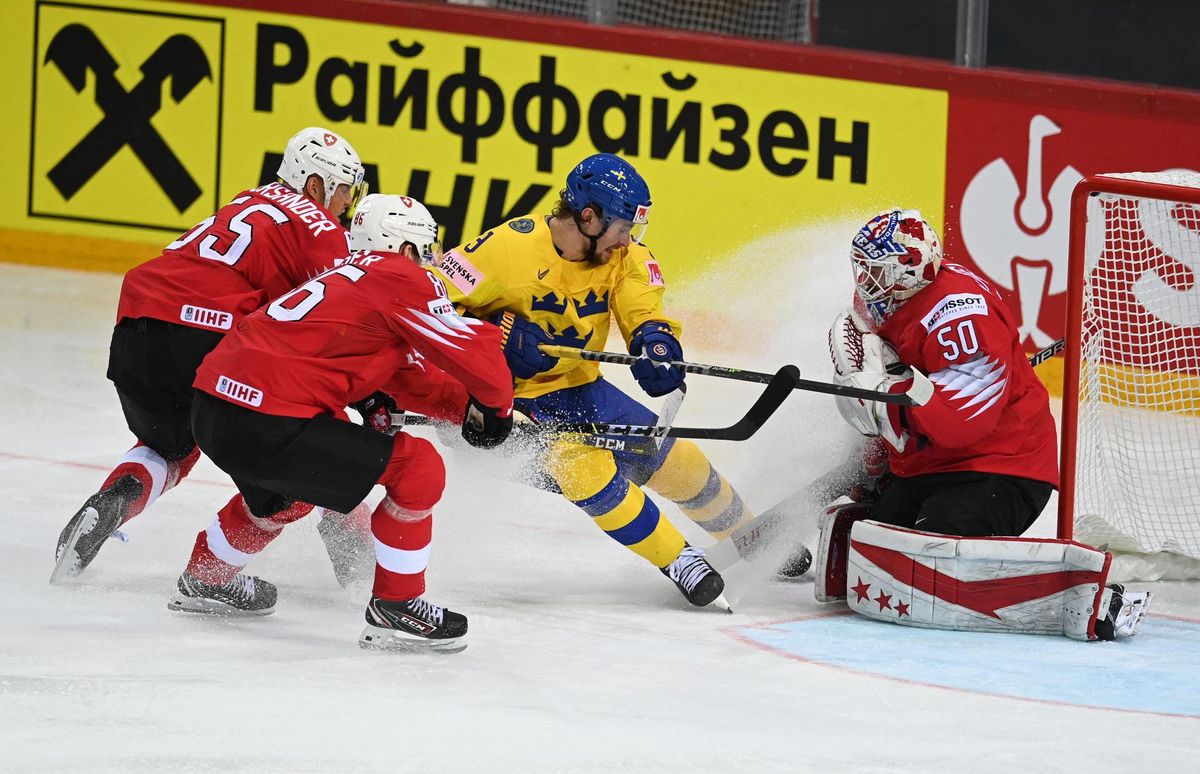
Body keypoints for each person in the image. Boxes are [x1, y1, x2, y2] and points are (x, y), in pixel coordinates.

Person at [170, 194, 514, 653]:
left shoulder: (346, 280)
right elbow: (474, 353)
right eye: (427, 248)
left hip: (215, 409)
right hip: (271, 415)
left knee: (287, 497)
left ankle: (204, 578)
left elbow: (413, 380)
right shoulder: (401, 276)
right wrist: (496, 413)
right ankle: (397, 606)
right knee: (419, 467)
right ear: (406, 249)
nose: (432, 261)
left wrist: (465, 411)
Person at [432, 152, 755, 610]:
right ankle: (677, 558)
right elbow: (423, 301)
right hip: (500, 404)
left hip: (579, 387)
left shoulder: (624, 256)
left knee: (676, 458)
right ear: (588, 217)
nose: (628, 241)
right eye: (624, 227)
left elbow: (643, 308)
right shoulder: (505, 248)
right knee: (583, 465)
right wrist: (494, 336)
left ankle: (749, 532)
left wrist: (655, 343)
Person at [52, 127, 371, 585]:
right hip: (207, 335)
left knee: (169, 449)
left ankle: (110, 504)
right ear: (315, 184)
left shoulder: (245, 201)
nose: (346, 203)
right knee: (308, 439)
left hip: (136, 324)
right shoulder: (320, 228)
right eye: (342, 189)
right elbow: (334, 326)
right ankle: (222, 571)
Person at [814, 208, 1151, 640]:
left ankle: (1089, 595)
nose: (866, 283)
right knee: (878, 545)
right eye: (863, 270)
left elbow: (960, 425)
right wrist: (885, 439)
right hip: (939, 466)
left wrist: (885, 402)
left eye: (877, 273)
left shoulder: (960, 317)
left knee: (924, 560)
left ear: (910, 269)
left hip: (1002, 469)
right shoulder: (900, 295)